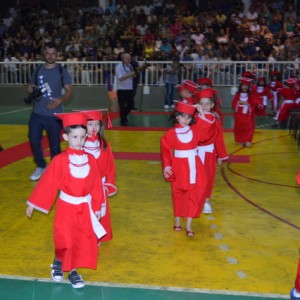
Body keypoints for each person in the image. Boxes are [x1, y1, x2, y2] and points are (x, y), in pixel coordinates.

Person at [25, 112, 106, 289]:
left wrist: (97, 206)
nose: (79, 140)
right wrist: (33, 203)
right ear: (65, 137)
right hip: (66, 207)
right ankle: (58, 260)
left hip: (84, 208)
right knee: (65, 239)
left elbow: (95, 185)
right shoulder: (60, 161)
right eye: (75, 137)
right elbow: (48, 183)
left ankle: (74, 271)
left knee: (79, 240)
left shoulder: (90, 160)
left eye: (83, 137)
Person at [160, 101, 208, 237]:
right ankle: (177, 218)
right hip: (179, 166)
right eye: (183, 116)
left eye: (189, 117)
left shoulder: (194, 130)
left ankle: (189, 224)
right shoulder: (171, 133)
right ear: (177, 117)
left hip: (194, 165)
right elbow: (165, 150)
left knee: (194, 191)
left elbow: (206, 134)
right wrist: (167, 166)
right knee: (178, 192)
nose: (186, 120)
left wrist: (202, 113)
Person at [27, 42, 73, 181]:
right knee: (33, 139)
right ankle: (40, 165)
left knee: (54, 144)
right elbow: (30, 86)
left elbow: (69, 90)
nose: (50, 56)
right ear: (44, 54)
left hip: (54, 115)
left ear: (57, 55)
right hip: (37, 113)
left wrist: (60, 100)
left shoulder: (62, 70)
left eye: (53, 53)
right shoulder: (38, 69)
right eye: (47, 53)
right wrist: (30, 90)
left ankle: (55, 168)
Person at [82, 110, 117, 243]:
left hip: (100, 186)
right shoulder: (80, 145)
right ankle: (86, 236)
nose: (94, 128)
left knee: (99, 213)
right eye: (90, 124)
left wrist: (108, 184)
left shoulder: (105, 145)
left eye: (97, 124)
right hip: (85, 187)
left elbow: (110, 166)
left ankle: (99, 235)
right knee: (85, 212)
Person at [193, 89, 228, 214]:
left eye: (207, 103)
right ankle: (196, 199)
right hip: (195, 153)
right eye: (201, 103)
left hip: (208, 153)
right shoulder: (195, 117)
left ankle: (206, 201)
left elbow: (218, 138)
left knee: (208, 178)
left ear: (212, 105)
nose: (204, 106)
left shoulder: (212, 119)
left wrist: (220, 155)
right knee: (194, 177)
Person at [232, 77, 260, 147]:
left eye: (246, 86)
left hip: (247, 113)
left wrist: (249, 104)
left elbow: (254, 102)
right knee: (239, 127)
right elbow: (233, 103)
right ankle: (240, 139)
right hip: (239, 113)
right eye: (243, 85)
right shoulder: (237, 94)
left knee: (248, 127)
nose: (244, 87)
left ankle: (248, 140)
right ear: (241, 86)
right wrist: (239, 102)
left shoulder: (251, 95)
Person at [115, 53, 136, 126]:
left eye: (130, 59)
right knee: (122, 105)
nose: (129, 60)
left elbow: (132, 76)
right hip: (121, 89)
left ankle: (123, 116)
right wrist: (130, 74)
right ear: (123, 59)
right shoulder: (119, 67)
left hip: (129, 88)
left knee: (131, 105)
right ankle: (123, 120)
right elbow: (120, 78)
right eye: (128, 59)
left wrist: (134, 74)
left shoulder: (130, 66)